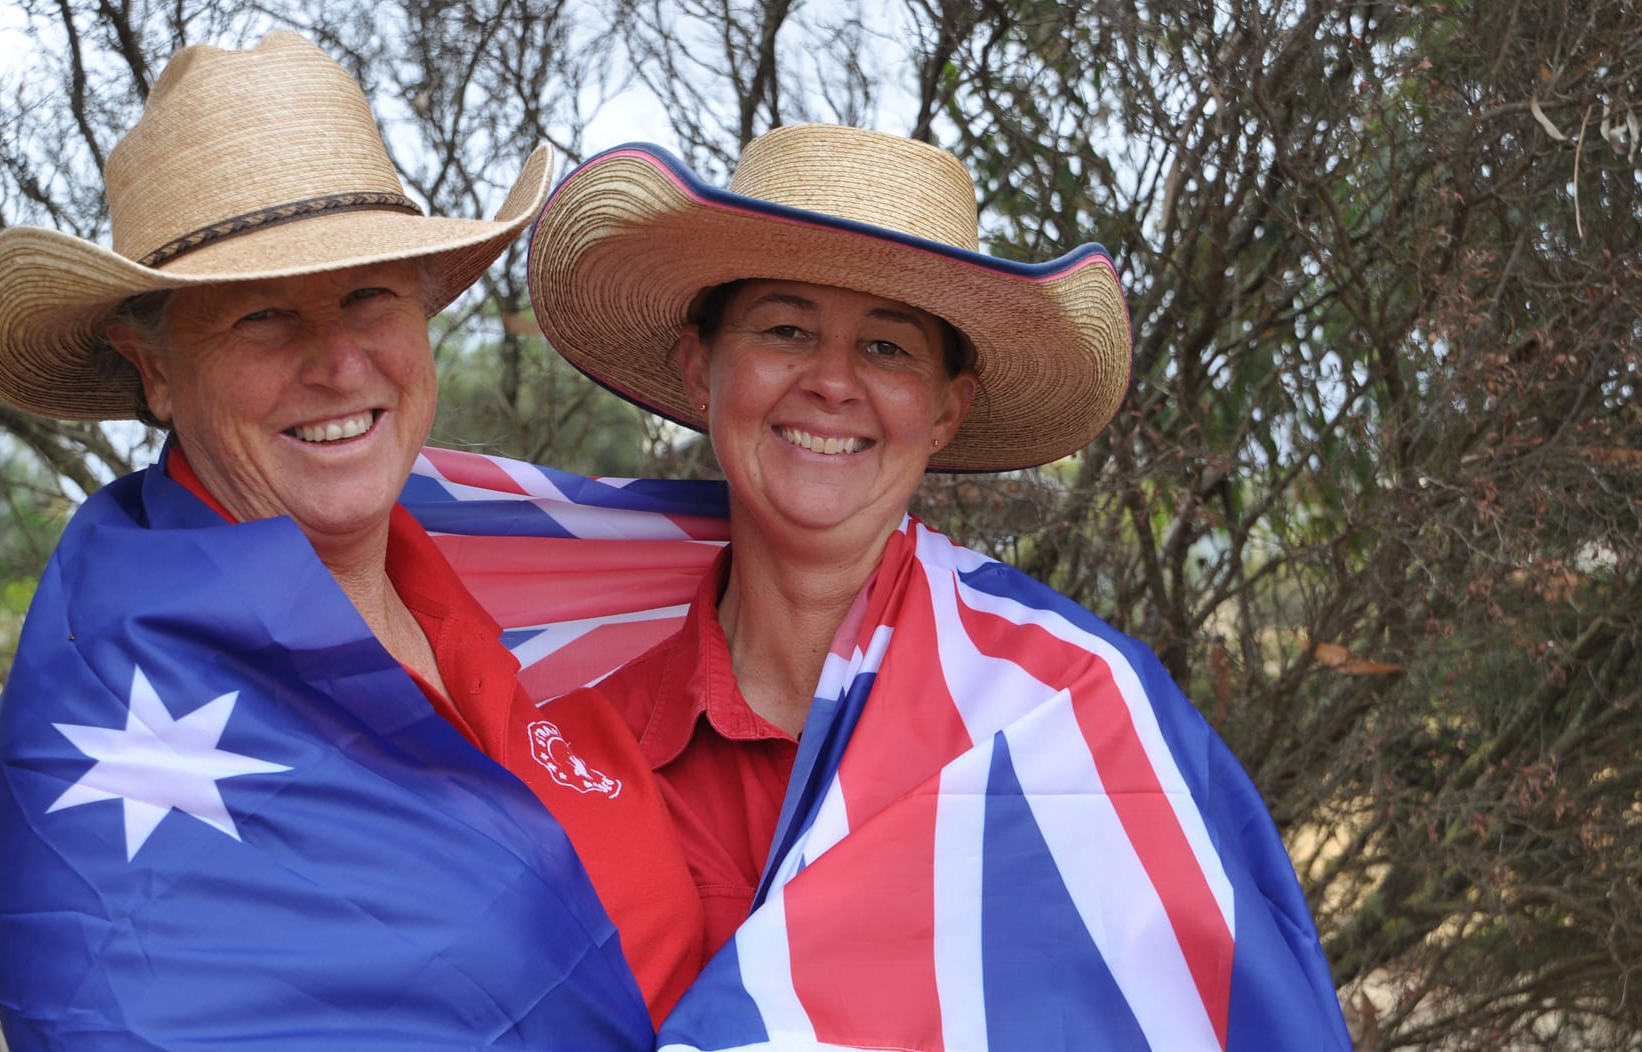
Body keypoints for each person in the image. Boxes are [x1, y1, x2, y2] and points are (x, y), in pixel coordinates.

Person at [523, 124, 1354, 1050]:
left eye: (888, 347)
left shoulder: (1071, 718)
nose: (833, 382)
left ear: (947, 410)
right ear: (699, 364)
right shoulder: (578, 748)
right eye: (786, 328)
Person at [0, 32, 701, 1048]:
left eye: (369, 296)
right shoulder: (114, 698)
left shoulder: (464, 593)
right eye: (262, 318)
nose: (338, 363)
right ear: (156, 372)